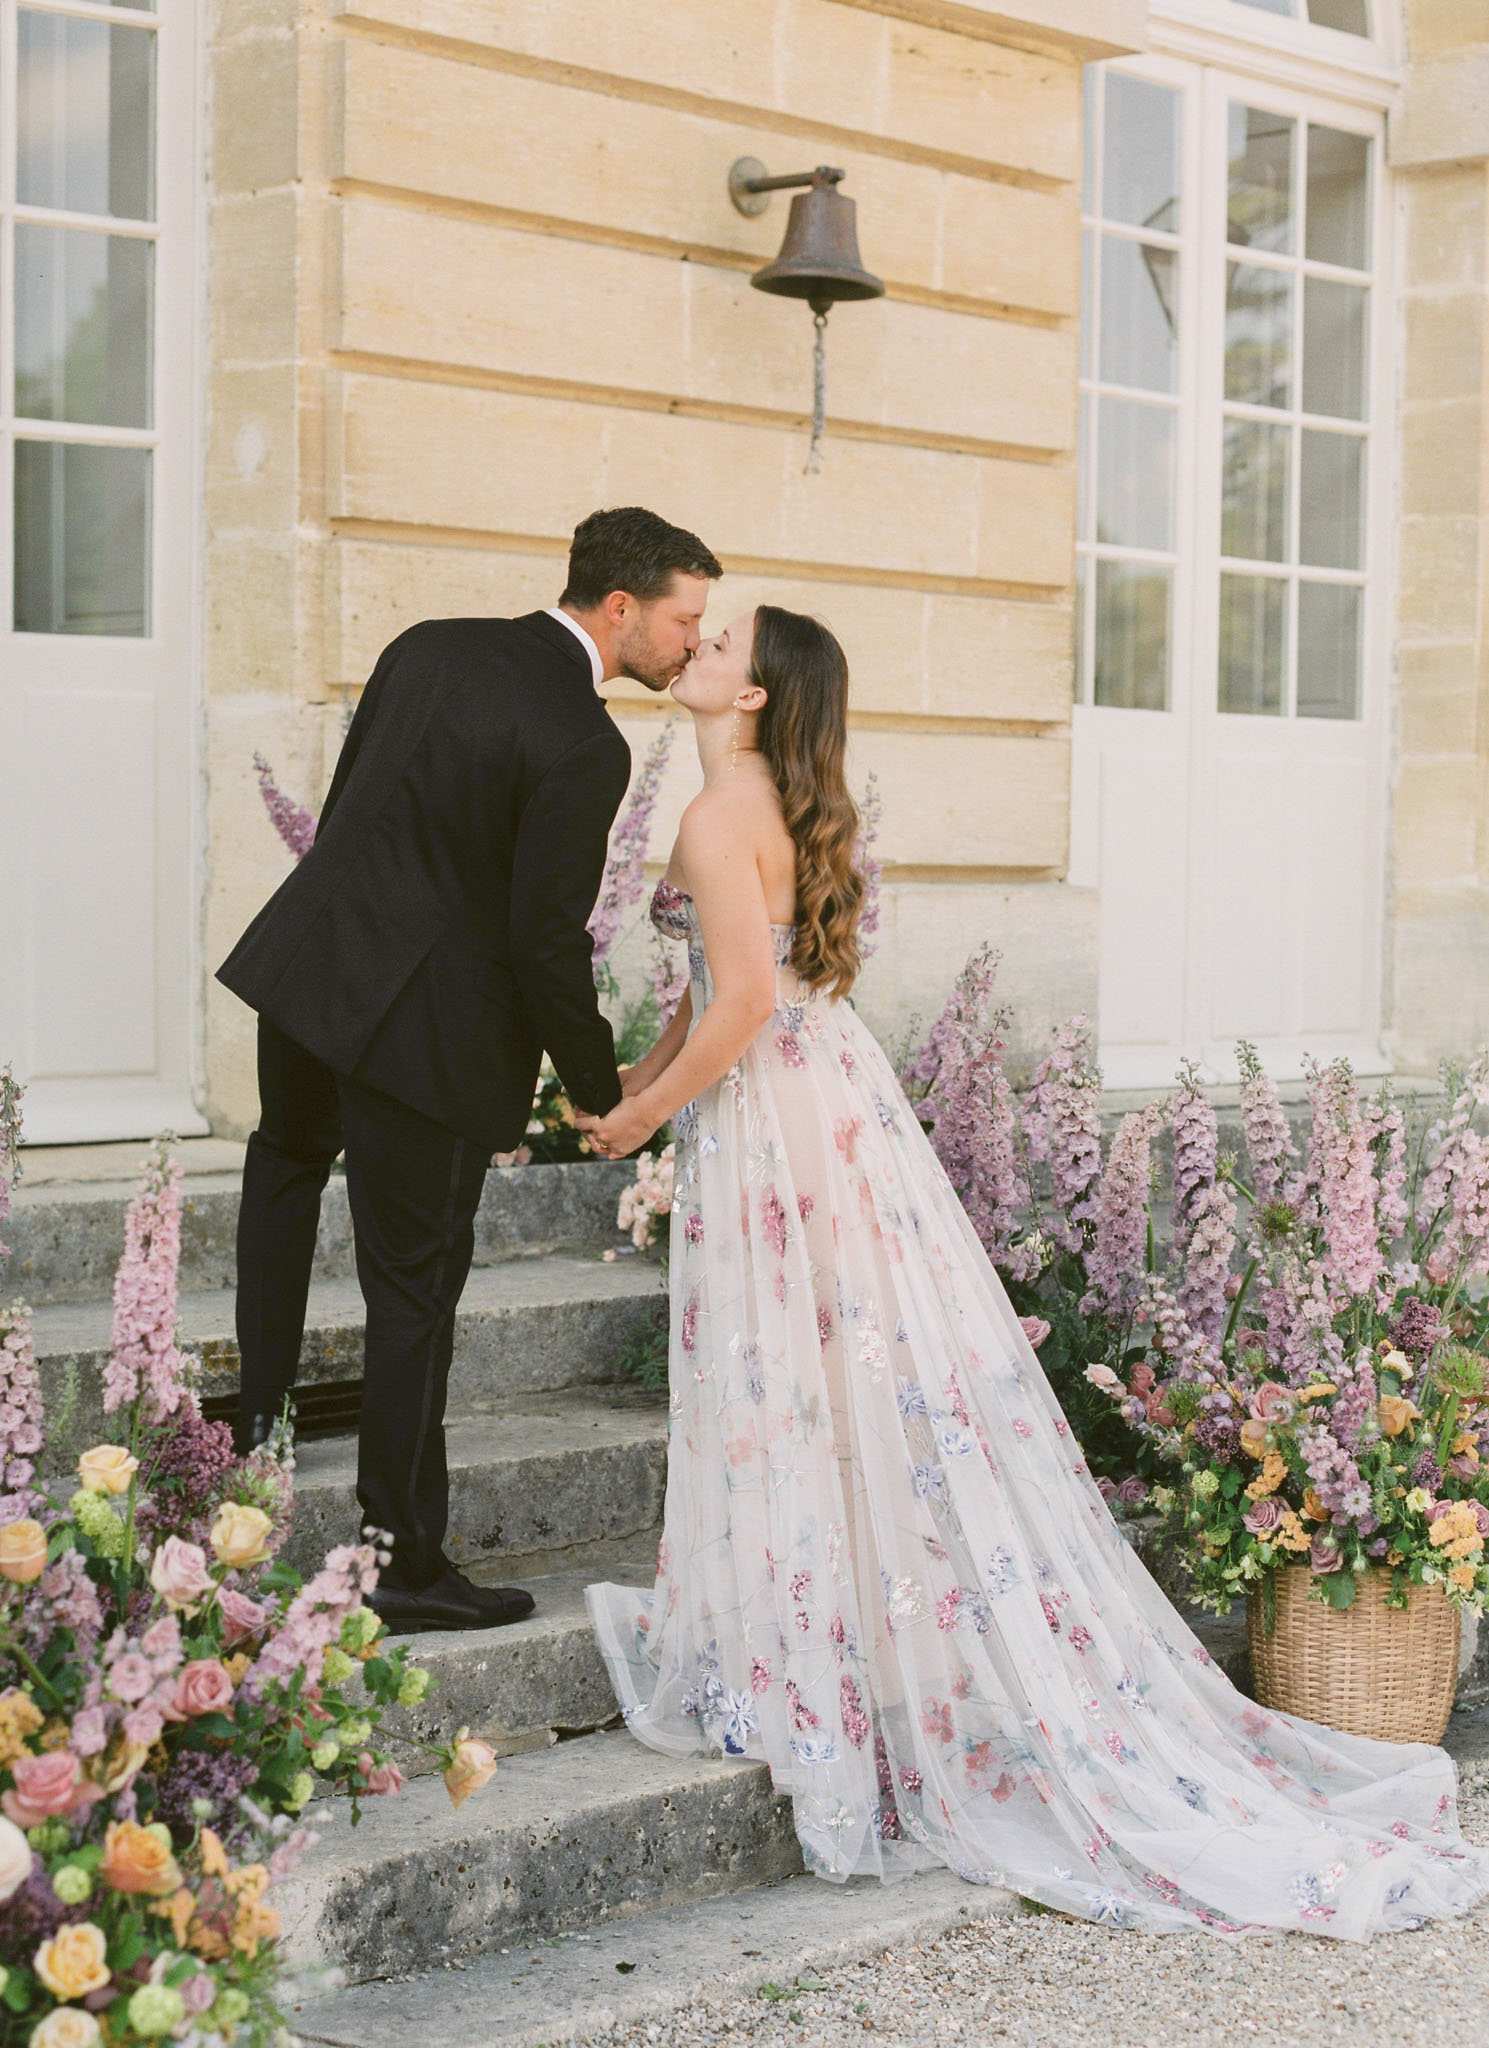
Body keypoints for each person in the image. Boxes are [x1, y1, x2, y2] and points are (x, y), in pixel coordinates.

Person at [582, 604, 1489, 1937]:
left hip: (783, 1127)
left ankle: (831, 1679)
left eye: (719, 645)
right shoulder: (757, 803)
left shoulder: (724, 819)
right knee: (826, 1389)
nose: (696, 648)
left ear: (757, 696)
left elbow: (741, 1005)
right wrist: (630, 1084)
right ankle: (827, 1656)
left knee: (808, 1385)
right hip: (824, 1107)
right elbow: (707, 995)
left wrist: (639, 1121)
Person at [217, 507, 722, 1634]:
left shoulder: (425, 643)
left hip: (310, 971)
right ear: (623, 606)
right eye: (687, 618)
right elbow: (547, 944)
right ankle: (397, 1559)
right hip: (422, 1036)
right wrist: (600, 1091)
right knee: (411, 1297)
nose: (696, 641)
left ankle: (241, 1454)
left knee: (282, 1177)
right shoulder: (585, 743)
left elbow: (349, 817)